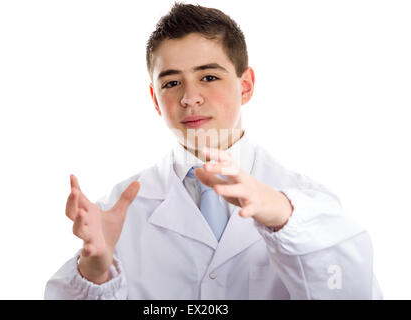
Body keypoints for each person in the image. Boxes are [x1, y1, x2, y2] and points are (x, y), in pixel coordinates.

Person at [44, 3, 382, 299]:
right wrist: (95, 272)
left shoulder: (306, 202)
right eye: (172, 83)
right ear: (155, 100)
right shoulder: (116, 212)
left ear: (245, 85)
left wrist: (280, 215)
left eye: (208, 77)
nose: (190, 98)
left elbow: (353, 290)